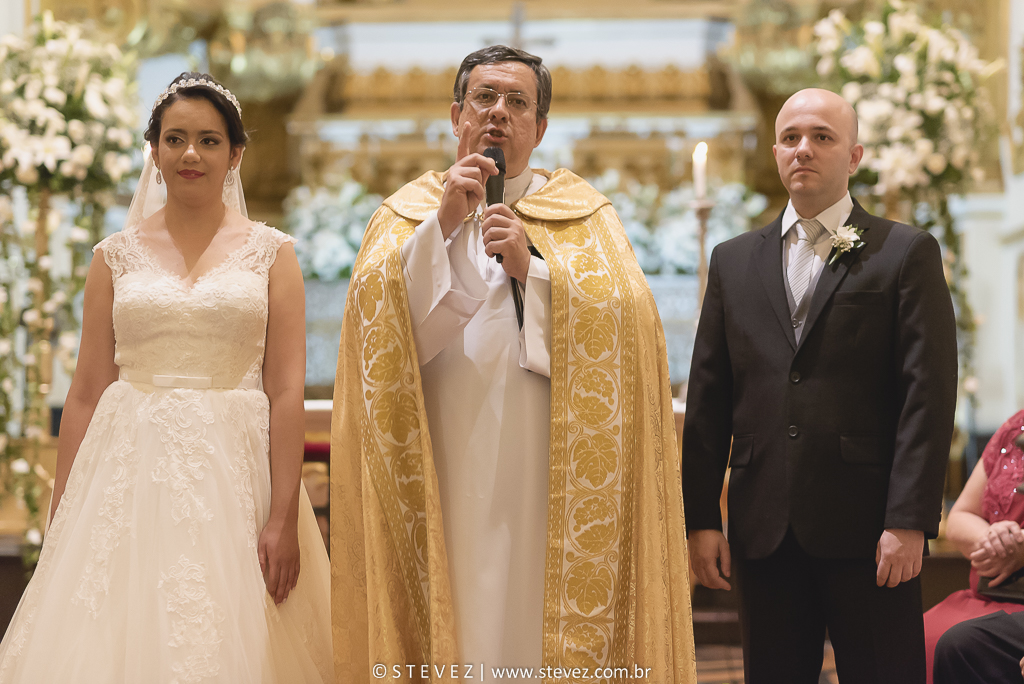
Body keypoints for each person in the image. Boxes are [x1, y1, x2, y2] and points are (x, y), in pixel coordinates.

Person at [330, 45, 694, 682]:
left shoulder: (586, 217)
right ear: (456, 115)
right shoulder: (406, 215)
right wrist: (440, 230)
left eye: (517, 102)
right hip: (441, 453)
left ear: (541, 128)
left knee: (528, 602)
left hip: (545, 465)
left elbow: (632, 328)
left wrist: (537, 272)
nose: (498, 114)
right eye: (485, 99)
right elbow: (373, 339)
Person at [0, 73, 333, 683]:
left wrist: (283, 516)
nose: (190, 154)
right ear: (152, 151)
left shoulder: (273, 254)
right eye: (175, 139)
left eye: (208, 141)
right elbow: (84, 392)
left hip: (233, 469)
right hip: (127, 463)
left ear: (234, 154)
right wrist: (62, 514)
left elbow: (286, 389)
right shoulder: (113, 255)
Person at [682, 87, 958, 684]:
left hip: (870, 528)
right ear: (777, 152)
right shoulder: (733, 261)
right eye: (790, 138)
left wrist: (909, 519)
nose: (802, 149)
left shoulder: (904, 252)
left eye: (822, 138)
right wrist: (701, 518)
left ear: (854, 156)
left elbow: (927, 396)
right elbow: (710, 396)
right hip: (764, 528)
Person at [928, 410, 1024, 684]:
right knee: (910, 637)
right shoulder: (1015, 426)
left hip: (1018, 603)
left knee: (958, 643)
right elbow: (959, 517)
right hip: (984, 593)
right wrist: (993, 539)